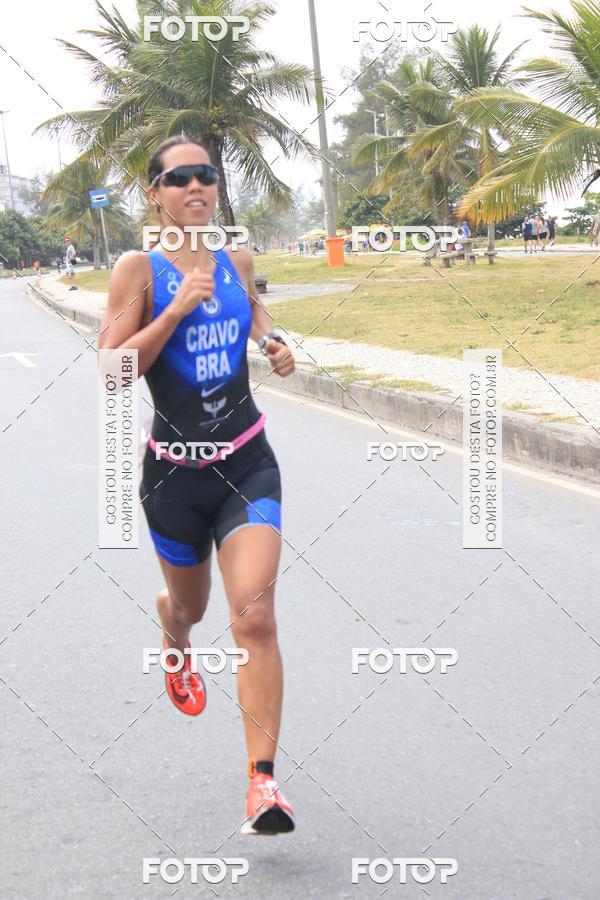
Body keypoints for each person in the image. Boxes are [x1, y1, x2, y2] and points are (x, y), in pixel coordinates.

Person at [99, 135, 296, 835]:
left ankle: (263, 786)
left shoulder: (235, 259)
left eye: (206, 174)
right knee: (194, 608)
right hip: (175, 480)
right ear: (154, 193)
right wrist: (175, 309)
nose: (196, 186)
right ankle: (172, 633)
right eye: (179, 177)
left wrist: (276, 344)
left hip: (246, 463)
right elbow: (114, 373)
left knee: (257, 617)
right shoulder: (138, 270)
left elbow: (257, 315)